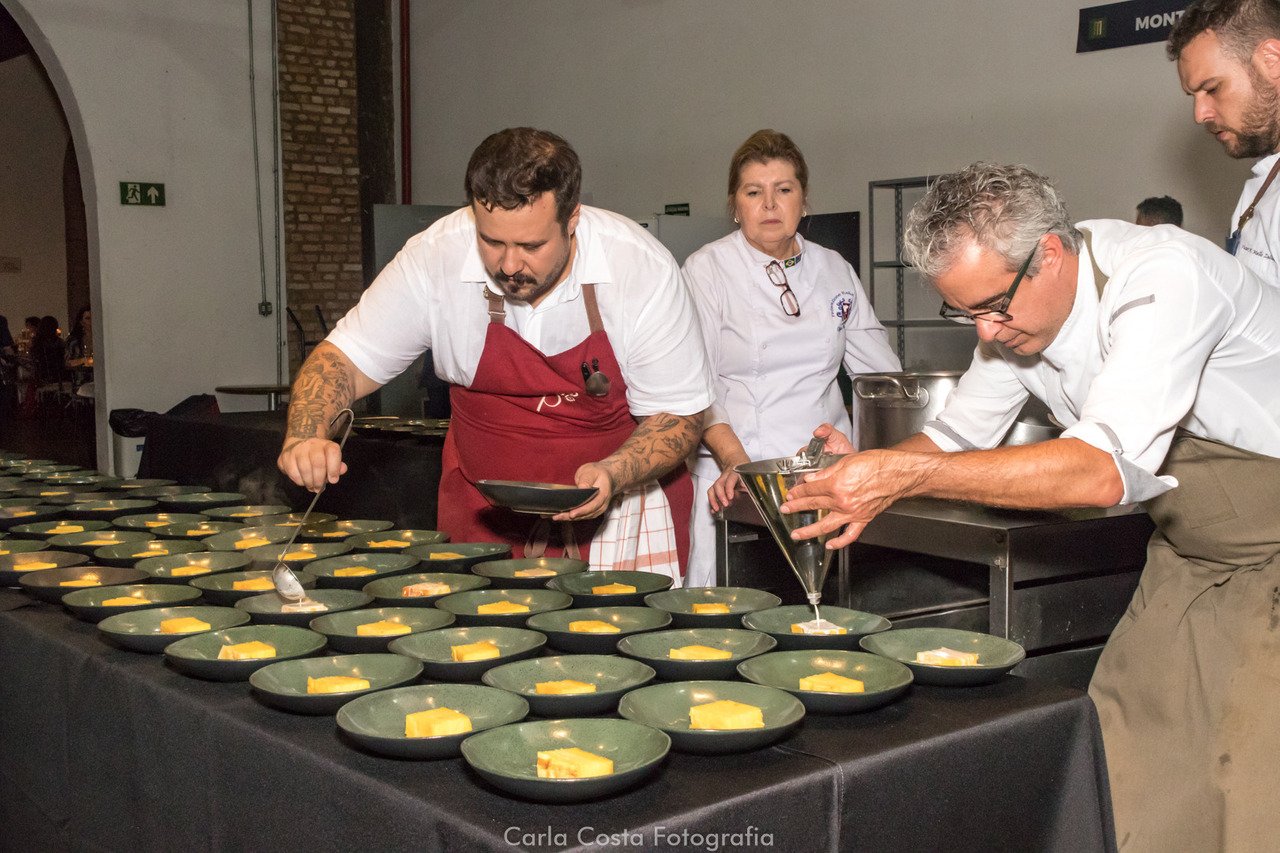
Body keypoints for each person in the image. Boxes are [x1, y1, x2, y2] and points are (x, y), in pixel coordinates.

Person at [780, 162, 1280, 853]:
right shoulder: (1016, 319)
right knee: (1120, 751)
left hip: (1271, 552)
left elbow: (1099, 473)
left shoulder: (1163, 277)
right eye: (965, 313)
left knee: (1245, 782)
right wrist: (866, 470)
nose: (985, 333)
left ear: (1049, 254)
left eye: (993, 306)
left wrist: (902, 474)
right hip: (1192, 554)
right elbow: (955, 437)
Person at [277, 128, 712, 579]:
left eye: (531, 246)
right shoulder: (435, 257)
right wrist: (306, 434)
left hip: (617, 511)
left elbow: (678, 416)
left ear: (572, 219)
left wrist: (615, 472)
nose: (508, 265)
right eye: (492, 241)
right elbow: (343, 360)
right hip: (481, 512)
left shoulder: (639, 268)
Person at [681, 129, 899, 587]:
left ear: (804, 200)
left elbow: (880, 378)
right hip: (736, 474)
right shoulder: (708, 269)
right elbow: (697, 386)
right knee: (731, 605)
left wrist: (888, 459)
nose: (769, 204)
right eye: (753, 192)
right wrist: (737, 464)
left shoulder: (834, 268)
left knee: (823, 602)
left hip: (823, 475)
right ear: (734, 205)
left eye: (783, 190)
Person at [1170, 0, 1280, 283]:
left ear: (1272, 60)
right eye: (1193, 96)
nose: (1199, 115)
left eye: (1212, 88)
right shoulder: (1265, 181)